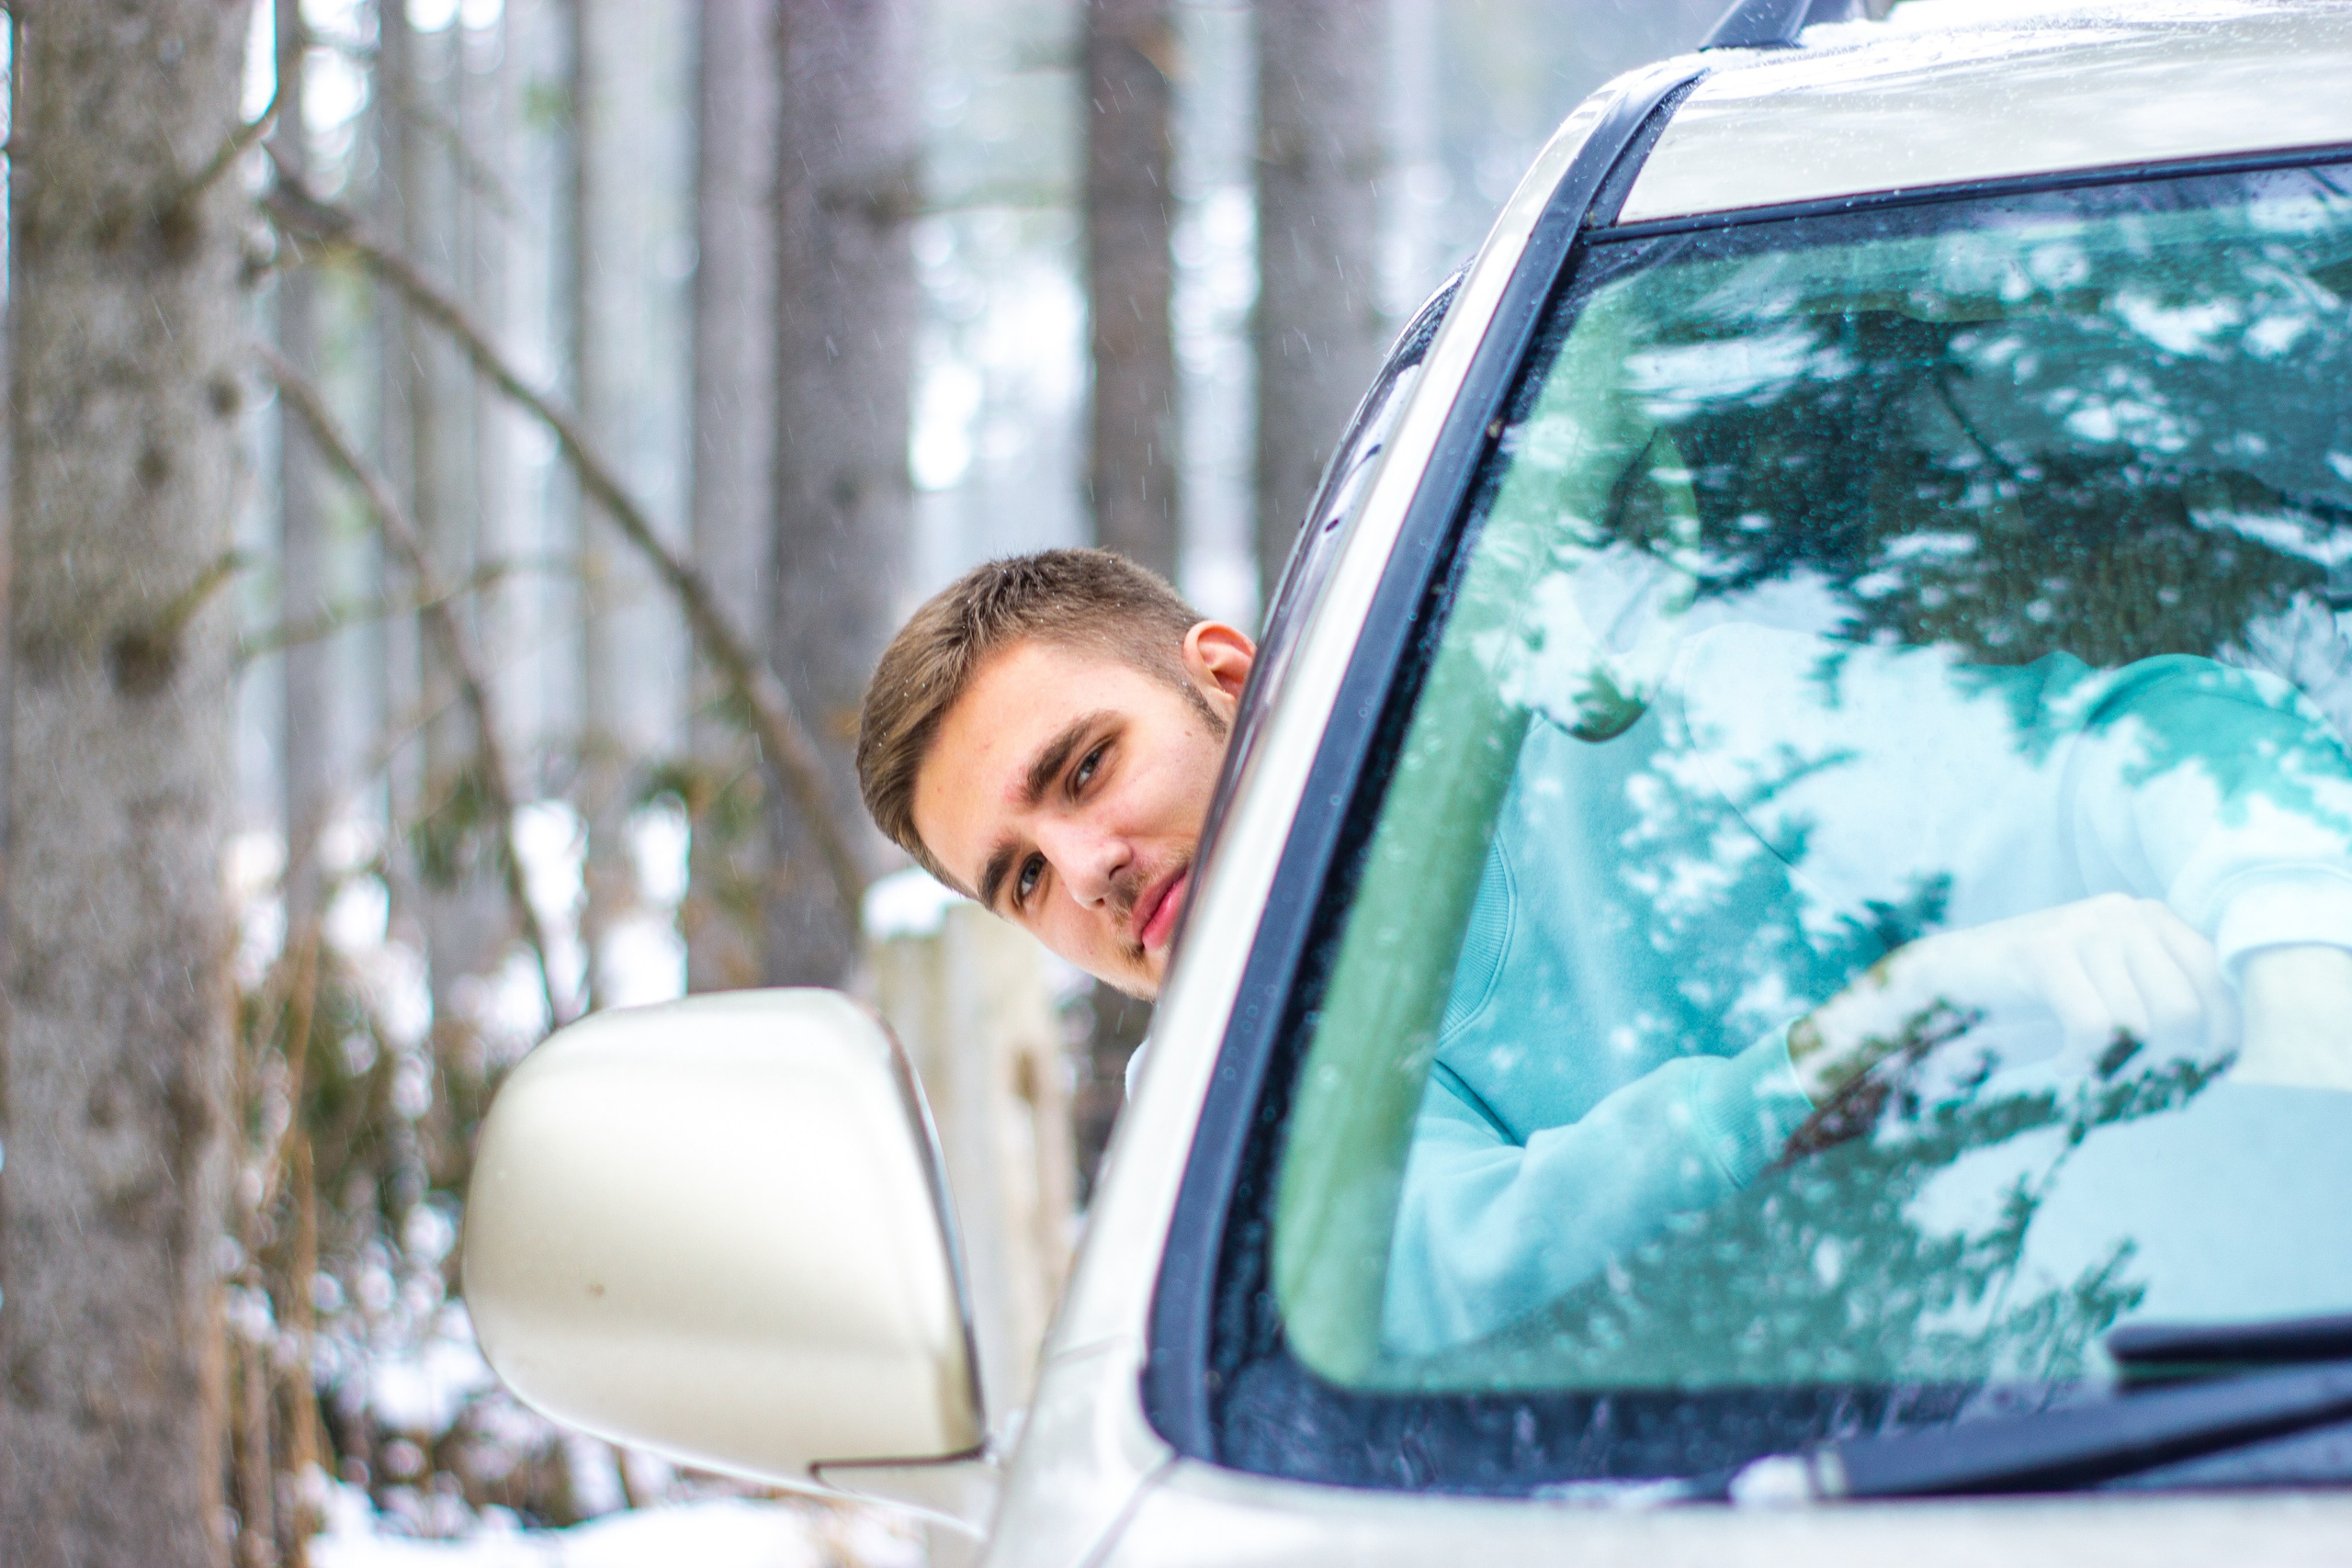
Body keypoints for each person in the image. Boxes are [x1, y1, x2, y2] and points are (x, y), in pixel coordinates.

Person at [856, 547, 2352, 1355]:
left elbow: (2132, 754)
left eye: (1083, 771)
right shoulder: (1251, 1123)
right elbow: (1429, 1268)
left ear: (1227, 676)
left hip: (2223, 1349)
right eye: (1022, 882)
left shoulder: (1616, 705)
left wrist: (2301, 976)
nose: (1089, 875)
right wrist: (1858, 1039)